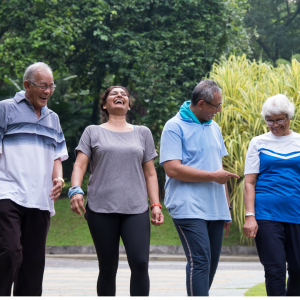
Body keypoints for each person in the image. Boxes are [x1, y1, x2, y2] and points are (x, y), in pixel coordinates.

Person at [69, 85, 164, 296]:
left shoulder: (143, 133)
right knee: (107, 267)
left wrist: (155, 204)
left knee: (140, 264)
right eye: (114, 93)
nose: (120, 95)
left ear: (128, 105)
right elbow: (79, 165)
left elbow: (150, 174)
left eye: (124, 94)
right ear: (105, 104)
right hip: (100, 208)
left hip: (136, 207)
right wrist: (75, 190)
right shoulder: (92, 132)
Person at [160, 79, 239, 296]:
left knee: (210, 263)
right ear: (202, 104)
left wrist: (227, 209)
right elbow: (173, 169)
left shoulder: (214, 127)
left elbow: (218, 168)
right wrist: (214, 176)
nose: (219, 111)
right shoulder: (174, 126)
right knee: (200, 260)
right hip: (187, 207)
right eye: (216, 106)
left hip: (215, 208)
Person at [0, 62, 68, 296]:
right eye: (43, 86)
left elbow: (57, 155)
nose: (48, 91)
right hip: (7, 192)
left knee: (33, 263)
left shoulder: (53, 118)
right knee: (9, 250)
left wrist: (59, 179)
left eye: (51, 86)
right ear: (27, 85)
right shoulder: (5, 109)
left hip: (40, 198)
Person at [243, 94, 300, 296]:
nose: (274, 125)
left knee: (298, 270)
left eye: (279, 119)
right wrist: (250, 216)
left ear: (289, 117)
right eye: (269, 120)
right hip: (267, 215)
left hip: (296, 214)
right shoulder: (258, 142)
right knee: (274, 270)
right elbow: (249, 181)